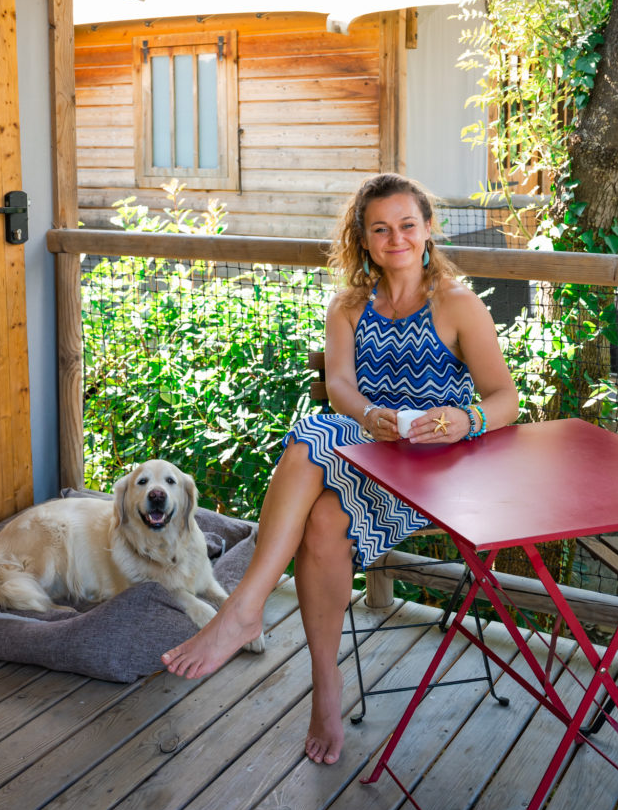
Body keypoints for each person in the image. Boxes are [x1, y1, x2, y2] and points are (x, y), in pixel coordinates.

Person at [162, 172, 519, 766]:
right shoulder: (349, 306)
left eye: (407, 225)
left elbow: (506, 399)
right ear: (364, 239)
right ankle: (325, 685)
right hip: (370, 449)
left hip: (436, 468)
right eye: (381, 229)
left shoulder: (457, 305)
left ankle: (244, 609)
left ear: (428, 228)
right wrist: (371, 415)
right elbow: (340, 390)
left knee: (311, 441)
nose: (396, 238)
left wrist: (466, 419)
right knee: (322, 506)